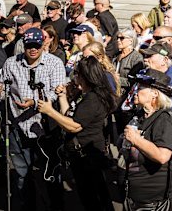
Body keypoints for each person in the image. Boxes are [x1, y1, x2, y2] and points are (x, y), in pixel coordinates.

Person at [0, 28, 65, 210]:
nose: (33, 50)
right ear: (24, 45)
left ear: (43, 44)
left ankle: (55, 206)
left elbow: (56, 92)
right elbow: (4, 89)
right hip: (17, 126)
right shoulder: (12, 63)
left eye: (36, 45)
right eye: (29, 46)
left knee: (49, 172)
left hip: (44, 126)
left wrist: (34, 102)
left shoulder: (54, 63)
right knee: (22, 173)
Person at [36, 56, 115, 211]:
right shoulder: (84, 95)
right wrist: (62, 96)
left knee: (94, 199)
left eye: (77, 73)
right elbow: (68, 116)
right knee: (89, 197)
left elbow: (74, 126)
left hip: (88, 156)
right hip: (80, 155)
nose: (75, 77)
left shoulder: (93, 99)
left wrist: (50, 111)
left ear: (86, 76)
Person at [123, 69, 172, 210]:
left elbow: (162, 156)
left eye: (140, 87)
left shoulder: (165, 118)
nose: (135, 90)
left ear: (155, 94)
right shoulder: (140, 115)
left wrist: (136, 140)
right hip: (137, 195)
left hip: (156, 199)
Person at [113, 27, 144, 92]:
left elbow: (134, 80)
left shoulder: (137, 58)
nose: (118, 40)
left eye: (122, 38)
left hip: (125, 93)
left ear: (131, 41)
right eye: (117, 38)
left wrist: (116, 79)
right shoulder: (116, 55)